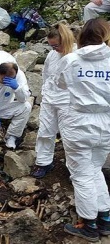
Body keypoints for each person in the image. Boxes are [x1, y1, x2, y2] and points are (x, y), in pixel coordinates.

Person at [57, 18, 110, 242]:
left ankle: (89, 225)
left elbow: (60, 84)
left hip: (79, 122)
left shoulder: (71, 60)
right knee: (95, 169)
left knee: (81, 175)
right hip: (106, 123)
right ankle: (105, 219)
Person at [31, 23, 76, 178]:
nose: (54, 49)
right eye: (51, 46)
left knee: (70, 135)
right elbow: (46, 75)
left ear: (65, 40)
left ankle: (75, 169)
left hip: (69, 101)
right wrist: (45, 93)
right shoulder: (52, 55)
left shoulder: (77, 54)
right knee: (45, 131)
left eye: (56, 45)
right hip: (50, 99)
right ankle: (44, 162)